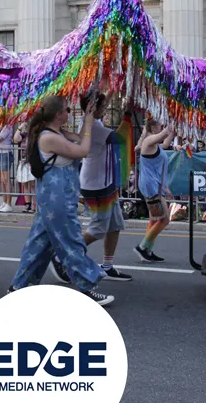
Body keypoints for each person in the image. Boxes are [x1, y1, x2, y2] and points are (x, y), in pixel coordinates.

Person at [10, 95, 114, 306]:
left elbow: (80, 139)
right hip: (57, 201)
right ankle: (86, 287)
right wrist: (87, 122)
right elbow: (83, 150)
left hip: (55, 199)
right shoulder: (49, 137)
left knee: (38, 246)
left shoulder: (57, 133)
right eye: (66, 110)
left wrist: (89, 117)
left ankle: (18, 287)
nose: (69, 112)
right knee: (72, 243)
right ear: (58, 114)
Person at [51, 91, 132, 283]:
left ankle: (107, 266)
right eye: (103, 107)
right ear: (93, 108)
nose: (106, 109)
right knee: (98, 229)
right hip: (96, 185)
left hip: (106, 182)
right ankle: (61, 256)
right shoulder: (93, 127)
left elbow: (105, 100)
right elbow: (120, 138)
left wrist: (114, 89)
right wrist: (128, 114)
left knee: (115, 225)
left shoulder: (92, 121)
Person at [135, 118, 174, 262]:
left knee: (154, 219)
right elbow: (164, 134)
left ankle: (148, 251)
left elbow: (166, 142)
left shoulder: (155, 145)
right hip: (151, 187)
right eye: (159, 124)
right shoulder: (148, 141)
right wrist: (173, 123)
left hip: (155, 186)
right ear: (152, 127)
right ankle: (142, 247)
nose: (161, 126)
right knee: (164, 219)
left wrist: (174, 130)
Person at [13, 122, 36, 213]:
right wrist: (20, 127)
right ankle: (28, 205)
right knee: (25, 184)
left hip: (32, 162)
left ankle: (35, 205)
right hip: (23, 162)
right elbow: (15, 139)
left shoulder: (35, 136)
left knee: (33, 185)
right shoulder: (23, 135)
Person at [0, 121, 15, 212]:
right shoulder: (0, 126)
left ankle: (9, 204)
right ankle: (4, 201)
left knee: (6, 179)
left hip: (5, 153)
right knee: (0, 179)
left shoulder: (8, 126)